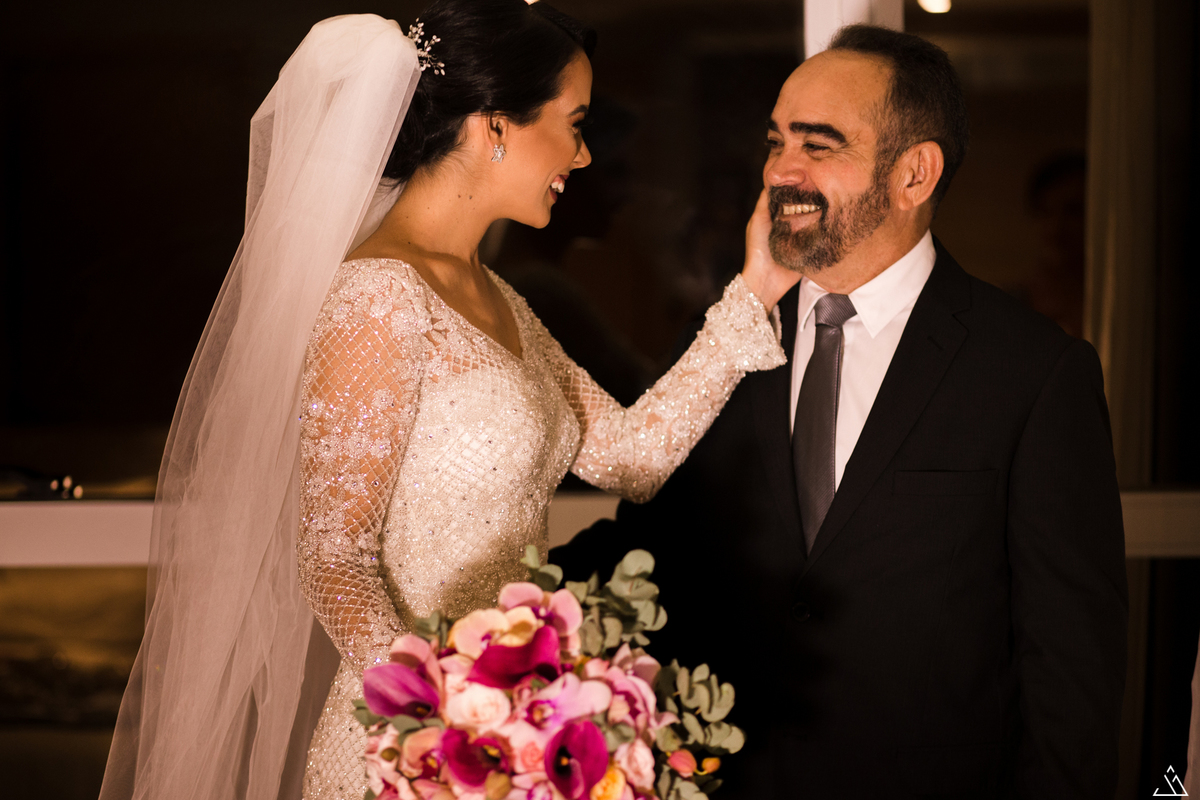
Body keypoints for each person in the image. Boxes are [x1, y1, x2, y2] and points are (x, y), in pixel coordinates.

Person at [99, 3, 798, 800]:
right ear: (495, 123)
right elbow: (333, 560)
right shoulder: (379, 297)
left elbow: (629, 457)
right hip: (417, 756)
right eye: (572, 123)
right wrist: (457, 723)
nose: (583, 151)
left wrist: (757, 289)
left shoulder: (500, 300)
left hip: (511, 744)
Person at [552, 24, 1128, 798]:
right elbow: (652, 549)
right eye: (776, 140)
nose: (780, 171)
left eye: (818, 146)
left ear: (914, 173)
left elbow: (1073, 673)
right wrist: (485, 625)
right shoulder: (728, 344)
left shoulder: (1034, 373)